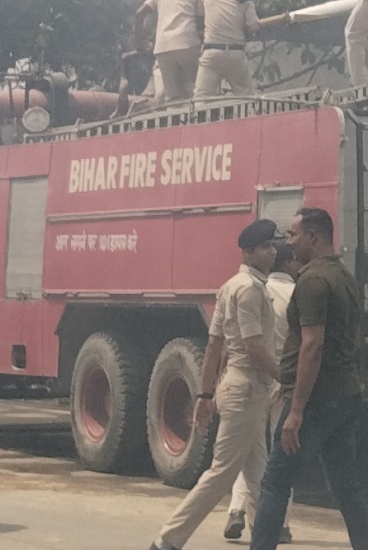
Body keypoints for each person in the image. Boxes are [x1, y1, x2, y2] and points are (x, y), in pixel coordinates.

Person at [148, 220, 284, 550]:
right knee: (221, 474)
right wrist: (288, 378)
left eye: (273, 245)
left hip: (238, 388)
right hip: (247, 389)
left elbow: (214, 345)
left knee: (259, 475)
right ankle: (167, 541)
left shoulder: (230, 286)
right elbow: (253, 345)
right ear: (249, 252)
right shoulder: (250, 289)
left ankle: (263, 540)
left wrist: (206, 394)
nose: (273, 251)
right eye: (266, 247)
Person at [248, 207, 368, 550]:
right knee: (346, 484)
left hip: (316, 399)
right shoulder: (345, 277)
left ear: (313, 237)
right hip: (345, 394)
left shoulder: (313, 281)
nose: (287, 243)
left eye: (292, 235)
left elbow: (312, 344)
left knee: (275, 482)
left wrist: (296, 410)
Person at [227, 242, 296, 542]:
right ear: (290, 263)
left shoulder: (259, 291)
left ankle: (236, 509)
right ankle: (280, 522)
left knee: (250, 448)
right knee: (282, 451)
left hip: (258, 377)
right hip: (283, 380)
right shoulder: (297, 295)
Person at [134, 0, 210, 102]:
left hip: (162, 49)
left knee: (173, 97)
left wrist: (139, 43)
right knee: (200, 90)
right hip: (187, 44)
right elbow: (201, 24)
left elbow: (139, 14)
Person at [195, 0, 261, 98]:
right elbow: (254, 26)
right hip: (236, 53)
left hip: (212, 53)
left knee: (202, 98)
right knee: (247, 96)